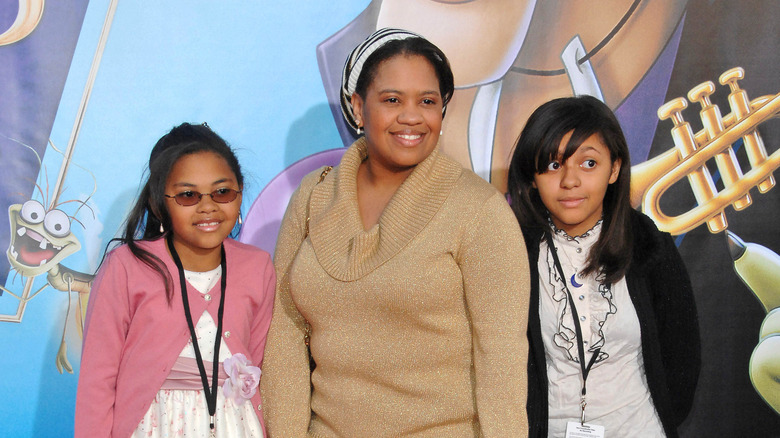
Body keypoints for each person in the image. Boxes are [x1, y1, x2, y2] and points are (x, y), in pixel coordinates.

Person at [261, 28, 530, 437]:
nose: (411, 116)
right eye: (392, 100)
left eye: (427, 101)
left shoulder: (479, 212)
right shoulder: (313, 197)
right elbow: (284, 339)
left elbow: (503, 367)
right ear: (357, 106)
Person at [507, 95, 700, 437]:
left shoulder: (649, 246)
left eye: (589, 164)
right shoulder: (510, 253)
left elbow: (682, 358)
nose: (570, 181)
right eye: (553, 165)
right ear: (532, 176)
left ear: (614, 169)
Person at [75, 123, 274, 438]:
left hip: (235, 425)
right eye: (187, 195)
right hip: (156, 425)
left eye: (222, 191)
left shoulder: (258, 266)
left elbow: (263, 361)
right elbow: (97, 380)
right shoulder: (127, 267)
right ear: (159, 203)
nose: (207, 206)